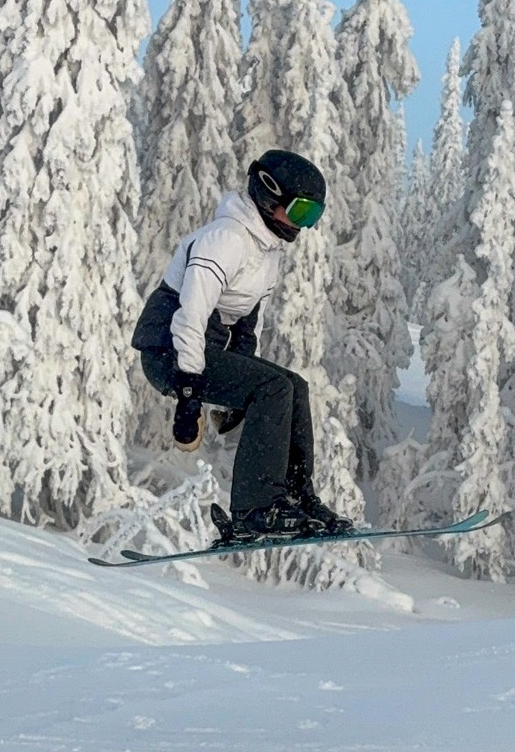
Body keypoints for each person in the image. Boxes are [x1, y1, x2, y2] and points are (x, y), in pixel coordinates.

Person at [131, 148, 353, 545]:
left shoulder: (265, 250)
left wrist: (239, 385)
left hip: (200, 352)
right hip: (170, 350)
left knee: (293, 385)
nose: (304, 226)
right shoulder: (226, 239)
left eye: (313, 217)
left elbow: (249, 324)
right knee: (273, 388)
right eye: (301, 213)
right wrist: (188, 394)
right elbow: (190, 316)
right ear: (270, 198)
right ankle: (255, 509)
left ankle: (295, 497)